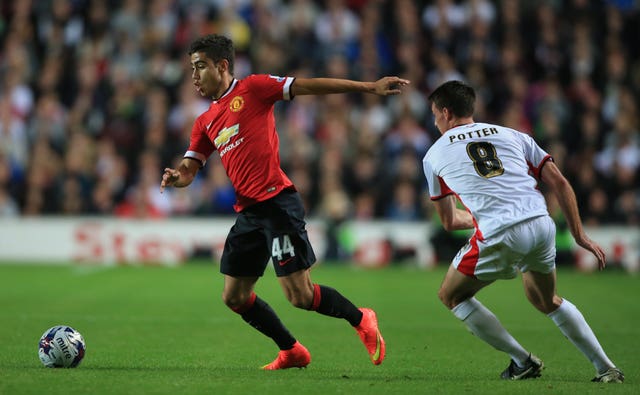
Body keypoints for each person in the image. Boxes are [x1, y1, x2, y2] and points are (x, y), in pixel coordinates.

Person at [160, 34, 409, 370]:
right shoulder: (204, 122)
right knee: (234, 297)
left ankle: (361, 318)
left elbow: (309, 86)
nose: (194, 75)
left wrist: (368, 88)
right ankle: (291, 350)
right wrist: (179, 178)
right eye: (192, 68)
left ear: (222, 66)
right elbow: (190, 168)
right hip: (248, 212)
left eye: (200, 66)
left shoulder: (254, 88)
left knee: (300, 296)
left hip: (277, 204)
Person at [422, 80, 624, 383]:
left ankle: (522, 361)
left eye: (435, 115)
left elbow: (449, 221)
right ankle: (606, 368)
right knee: (546, 300)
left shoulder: (433, 155)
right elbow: (560, 183)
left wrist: (480, 217)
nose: (435, 121)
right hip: (541, 224)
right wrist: (579, 235)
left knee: (451, 296)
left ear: (447, 113)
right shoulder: (513, 134)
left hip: (500, 232)